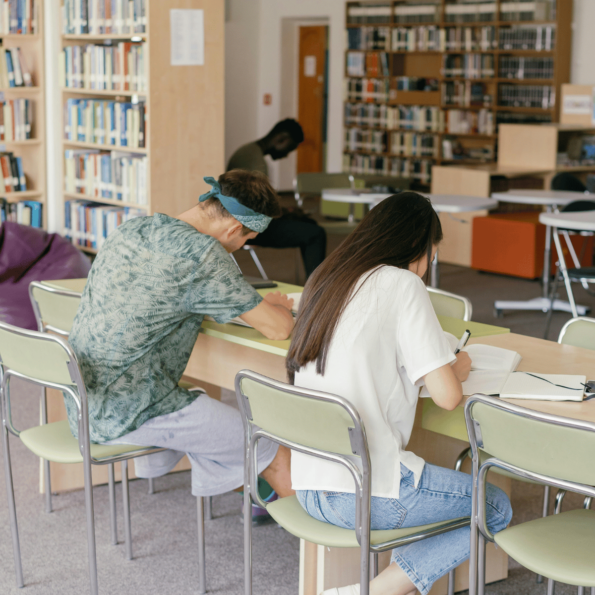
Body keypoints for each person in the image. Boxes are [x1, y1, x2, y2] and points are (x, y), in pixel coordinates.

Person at [286, 193, 513, 595]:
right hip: (365, 490)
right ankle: (371, 592)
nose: (429, 267)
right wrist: (457, 365)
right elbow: (447, 396)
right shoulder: (402, 283)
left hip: (307, 483)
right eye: (433, 254)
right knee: (494, 506)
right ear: (418, 247)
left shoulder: (327, 277)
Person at [68, 170, 295, 502]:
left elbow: (158, 291)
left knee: (209, 410)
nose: (242, 246)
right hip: (131, 411)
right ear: (233, 229)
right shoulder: (203, 254)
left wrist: (253, 302)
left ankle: (257, 495)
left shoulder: (133, 227)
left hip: (84, 400)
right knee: (272, 447)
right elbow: (279, 329)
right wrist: (276, 309)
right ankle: (318, 543)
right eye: (245, 240)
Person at [227, 118, 327, 278]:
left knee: (306, 223)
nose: (286, 155)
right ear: (281, 139)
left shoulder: (247, 151)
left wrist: (285, 211)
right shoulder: (256, 162)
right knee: (316, 233)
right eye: (289, 148)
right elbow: (260, 209)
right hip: (249, 227)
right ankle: (317, 288)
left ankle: (313, 282)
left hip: (239, 220)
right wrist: (285, 213)